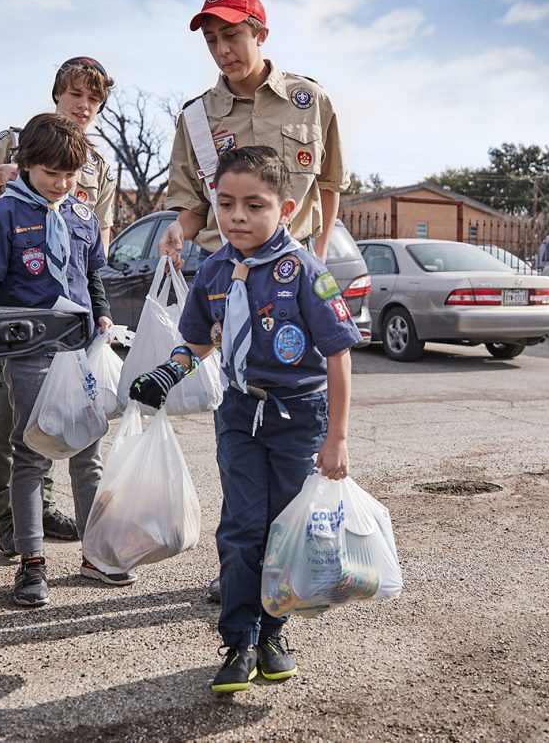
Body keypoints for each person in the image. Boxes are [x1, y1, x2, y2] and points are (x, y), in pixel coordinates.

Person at [129, 146, 361, 690]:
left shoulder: (305, 271)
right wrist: (168, 372)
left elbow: (339, 355)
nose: (237, 216)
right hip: (238, 412)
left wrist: (337, 438)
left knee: (283, 529)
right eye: (226, 203)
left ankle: (274, 633)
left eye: (254, 205)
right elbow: (200, 340)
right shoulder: (212, 269)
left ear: (285, 208)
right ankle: (239, 642)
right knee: (239, 528)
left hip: (298, 416)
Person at [0, 57, 117, 559]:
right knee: (10, 416)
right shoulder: (18, 143)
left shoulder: (95, 165)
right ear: (57, 93)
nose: (84, 106)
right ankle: (11, 517)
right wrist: (1, 173)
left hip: (70, 317)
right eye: (76, 94)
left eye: (95, 100)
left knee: (75, 417)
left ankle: (45, 509)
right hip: (18, 307)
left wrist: (92, 305)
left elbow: (94, 244)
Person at [0, 113, 133, 607]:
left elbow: (93, 276)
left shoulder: (81, 216)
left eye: (70, 175)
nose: (61, 185)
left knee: (88, 450)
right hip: (32, 351)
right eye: (50, 175)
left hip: (80, 350)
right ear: (25, 166)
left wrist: (101, 316)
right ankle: (32, 562)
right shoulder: (5, 214)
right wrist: (27, 319)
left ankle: (96, 551)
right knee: (32, 452)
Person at [158, 0, 347, 266]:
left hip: (296, 262)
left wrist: (319, 254)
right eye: (211, 40)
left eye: (231, 35)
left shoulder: (310, 101)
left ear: (261, 35)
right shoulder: (195, 117)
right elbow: (194, 209)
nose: (222, 50)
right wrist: (177, 229)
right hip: (222, 266)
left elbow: (330, 184)